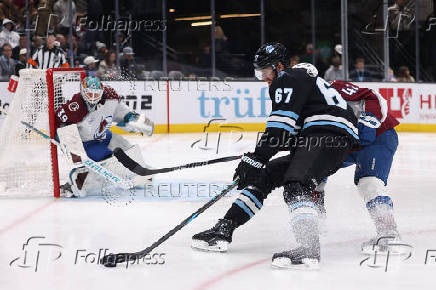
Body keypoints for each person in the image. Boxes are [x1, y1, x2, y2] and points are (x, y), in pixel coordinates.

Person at [191, 43, 359, 269]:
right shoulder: (303, 81)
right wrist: (258, 160)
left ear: (279, 67)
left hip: (325, 135)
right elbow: (288, 135)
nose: (263, 78)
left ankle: (309, 248)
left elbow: (279, 130)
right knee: (266, 175)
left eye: (265, 72)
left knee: (296, 184)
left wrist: (256, 158)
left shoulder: (286, 78)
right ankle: (225, 228)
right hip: (327, 138)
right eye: (257, 73)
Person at [315, 80, 403, 253]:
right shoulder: (297, 103)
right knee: (312, 170)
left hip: (377, 136)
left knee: (369, 182)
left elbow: (372, 96)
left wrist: (368, 123)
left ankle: (389, 233)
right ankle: (315, 218)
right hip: (347, 143)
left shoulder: (332, 87)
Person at [55, 76, 154, 197]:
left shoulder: (110, 97)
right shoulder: (75, 107)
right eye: (89, 94)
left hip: (103, 135)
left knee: (124, 145)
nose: (92, 98)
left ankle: (139, 171)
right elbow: (59, 124)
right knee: (107, 161)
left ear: (102, 92)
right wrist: (70, 146)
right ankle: (75, 181)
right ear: (82, 91)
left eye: (96, 94)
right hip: (86, 143)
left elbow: (123, 114)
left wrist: (135, 120)